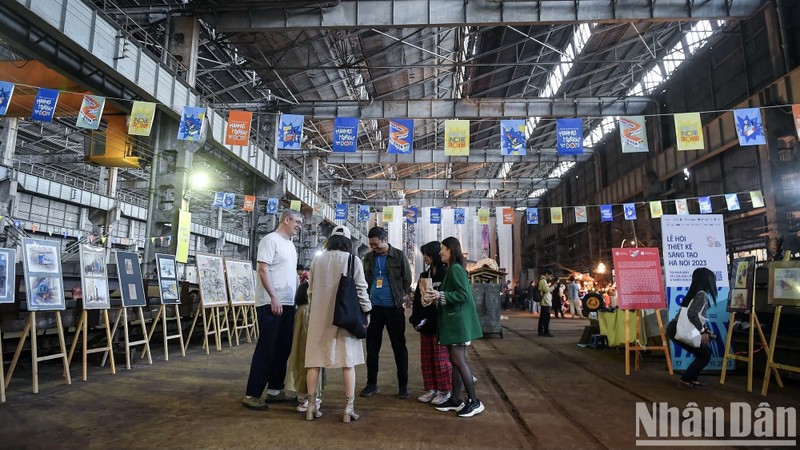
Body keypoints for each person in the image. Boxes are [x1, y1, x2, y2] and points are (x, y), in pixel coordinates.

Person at [305, 225, 372, 422]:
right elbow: (361, 289)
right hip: (346, 316)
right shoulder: (353, 260)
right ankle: (348, 409)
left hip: (319, 317)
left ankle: (311, 406)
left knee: (314, 362)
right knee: (347, 362)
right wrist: (367, 311)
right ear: (349, 242)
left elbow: (310, 290)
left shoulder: (318, 260)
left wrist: (316, 307)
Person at [242, 208, 303, 411]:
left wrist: (299, 281)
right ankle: (252, 394)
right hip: (270, 304)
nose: (299, 226)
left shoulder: (290, 245)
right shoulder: (270, 240)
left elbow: (289, 271)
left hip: (287, 304)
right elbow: (262, 269)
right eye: (297, 222)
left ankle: (275, 391)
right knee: (266, 349)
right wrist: (274, 297)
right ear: (286, 219)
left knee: (282, 349)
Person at [426, 237, 485, 418]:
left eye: (443, 249)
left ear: (451, 250)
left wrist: (440, 295)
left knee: (458, 361)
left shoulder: (456, 270)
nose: (440, 252)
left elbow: (463, 294)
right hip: (454, 323)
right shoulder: (453, 269)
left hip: (458, 323)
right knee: (454, 361)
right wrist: (436, 297)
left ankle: (474, 402)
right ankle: (456, 400)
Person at [361, 226, 413, 399]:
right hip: (373, 309)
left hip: (394, 309)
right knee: (372, 348)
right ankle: (371, 384)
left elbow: (407, 279)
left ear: (385, 240)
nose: (374, 248)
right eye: (371, 245)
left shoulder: (399, 255)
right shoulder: (368, 258)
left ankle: (403, 387)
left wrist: (400, 297)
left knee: (399, 347)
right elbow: (364, 281)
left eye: (376, 244)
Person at [409, 241, 452, 406]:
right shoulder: (424, 276)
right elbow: (419, 301)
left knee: (441, 359)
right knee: (427, 358)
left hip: (441, 323)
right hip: (426, 324)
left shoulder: (447, 274)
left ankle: (444, 390)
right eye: (424, 254)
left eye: (427, 254)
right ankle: (431, 388)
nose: (425, 257)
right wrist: (415, 319)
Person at [666, 267, 718, 389]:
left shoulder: (694, 293)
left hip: (674, 327)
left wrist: (705, 330)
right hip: (677, 328)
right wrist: (703, 332)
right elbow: (692, 315)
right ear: (707, 280)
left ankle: (692, 379)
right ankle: (685, 380)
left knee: (702, 353)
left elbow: (695, 316)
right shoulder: (702, 294)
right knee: (705, 354)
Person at [284, 271, 323, 414]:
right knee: (309, 364)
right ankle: (308, 399)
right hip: (308, 342)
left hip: (301, 343)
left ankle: (304, 397)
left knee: (301, 362)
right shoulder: (308, 310)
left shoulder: (300, 310)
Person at [537, 271, 555, 337]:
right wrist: (553, 286)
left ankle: (541, 331)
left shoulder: (542, 280)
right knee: (546, 318)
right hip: (546, 301)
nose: (550, 278)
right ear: (547, 274)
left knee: (542, 318)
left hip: (544, 301)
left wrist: (548, 285)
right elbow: (546, 290)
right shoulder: (543, 281)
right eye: (550, 276)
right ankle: (546, 331)